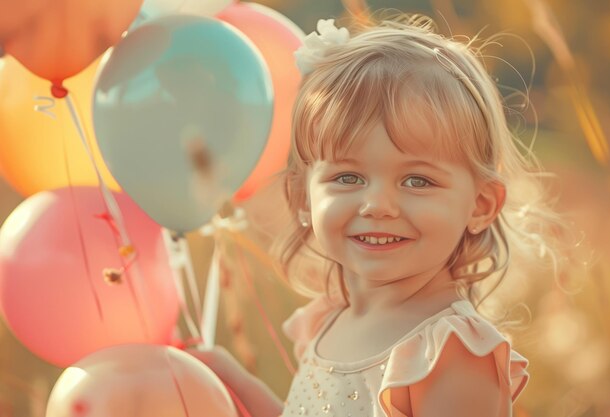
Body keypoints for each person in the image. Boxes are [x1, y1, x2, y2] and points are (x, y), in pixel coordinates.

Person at [191, 13, 562, 417]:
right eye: (348, 177)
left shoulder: (450, 352)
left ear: (480, 205)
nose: (378, 205)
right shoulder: (329, 320)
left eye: (417, 181)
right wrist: (229, 379)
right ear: (302, 196)